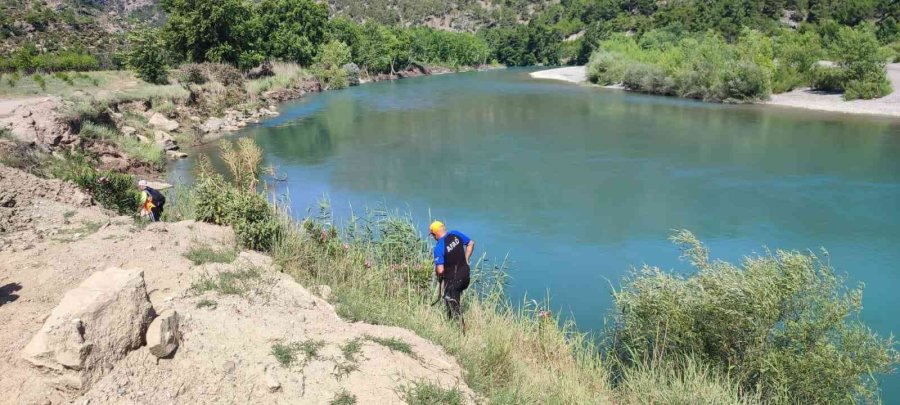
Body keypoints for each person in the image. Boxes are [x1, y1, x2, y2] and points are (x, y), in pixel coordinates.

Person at [429, 221, 475, 323]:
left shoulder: (439, 247)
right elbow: (471, 243)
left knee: (453, 306)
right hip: (465, 276)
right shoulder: (455, 233)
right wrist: (466, 259)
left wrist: (438, 275)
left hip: (454, 280)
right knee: (450, 299)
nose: (433, 237)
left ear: (435, 234)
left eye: (432, 235)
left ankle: (461, 331)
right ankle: (450, 324)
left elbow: (440, 270)